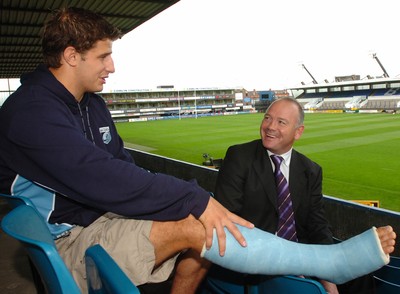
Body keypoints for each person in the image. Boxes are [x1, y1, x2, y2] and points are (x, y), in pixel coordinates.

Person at [0, 7, 395, 294]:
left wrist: (191, 197)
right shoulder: (31, 112)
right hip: (68, 239)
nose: (113, 66)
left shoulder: (92, 104)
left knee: (198, 211)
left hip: (99, 219)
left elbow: (122, 165)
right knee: (197, 221)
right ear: (71, 56)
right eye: (104, 55)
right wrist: (193, 197)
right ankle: (326, 263)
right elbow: (99, 176)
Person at [210, 97, 394, 293]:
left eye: (281, 122)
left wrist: (328, 270)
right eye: (267, 118)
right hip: (256, 259)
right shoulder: (240, 157)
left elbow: (317, 225)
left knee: (361, 277)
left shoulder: (311, 171)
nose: (270, 126)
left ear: (298, 132)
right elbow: (227, 218)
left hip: (305, 255)